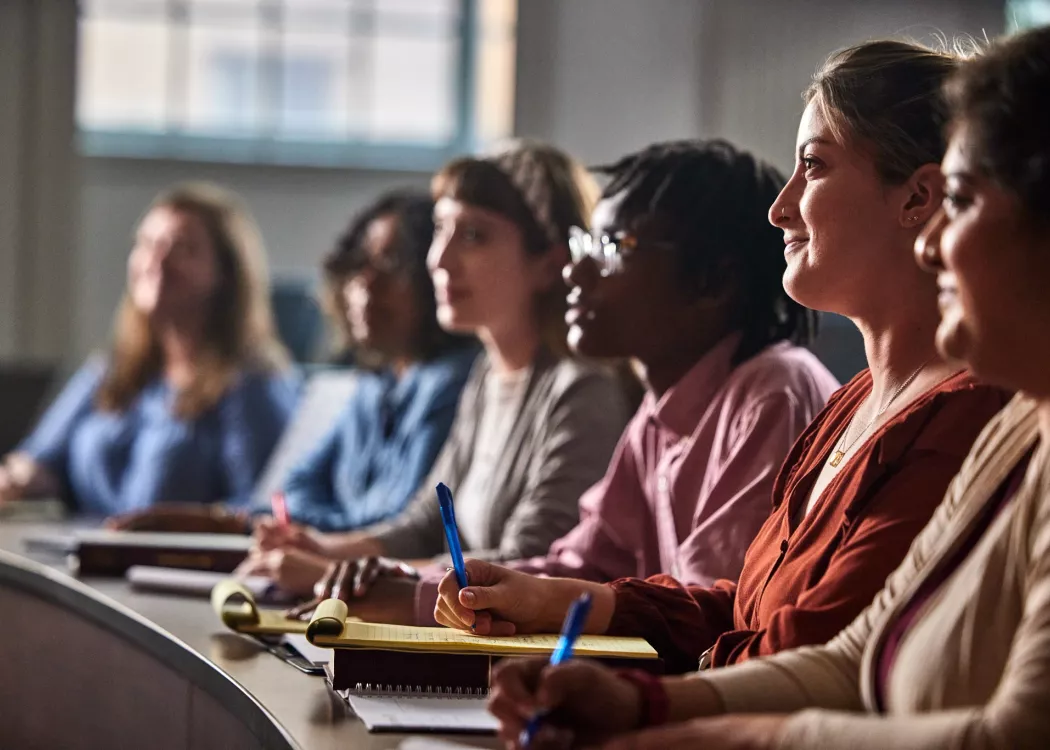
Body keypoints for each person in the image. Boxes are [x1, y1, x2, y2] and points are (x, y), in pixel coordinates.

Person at [484, 27, 1050, 750]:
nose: (779, 209)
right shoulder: (870, 403)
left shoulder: (970, 410)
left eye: (813, 167)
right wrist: (636, 696)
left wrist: (672, 717)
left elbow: (826, 652)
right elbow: (836, 650)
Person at [353, 137, 838, 631]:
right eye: (588, 243)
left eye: (612, 247)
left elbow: (716, 609)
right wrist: (432, 592)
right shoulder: (658, 415)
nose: (575, 268)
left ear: (712, 280)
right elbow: (581, 565)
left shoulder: (772, 393)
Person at [237, 140, 631, 617]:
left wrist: (337, 576)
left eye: (473, 237)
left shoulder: (582, 389)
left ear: (549, 263)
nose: (439, 260)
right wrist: (326, 549)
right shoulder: (487, 374)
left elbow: (530, 565)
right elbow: (426, 520)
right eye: (442, 230)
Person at [0, 183, 298, 517]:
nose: (157, 261)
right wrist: (13, 480)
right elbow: (39, 460)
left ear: (226, 274)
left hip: (182, 565)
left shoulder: (252, 385)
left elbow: (265, 508)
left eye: (182, 248)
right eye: (147, 244)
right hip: (79, 559)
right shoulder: (114, 368)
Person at [278, 190, 478, 532]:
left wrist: (312, 534)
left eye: (392, 264)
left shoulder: (451, 383)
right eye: (360, 264)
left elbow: (402, 522)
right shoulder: (374, 384)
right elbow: (295, 487)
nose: (366, 283)